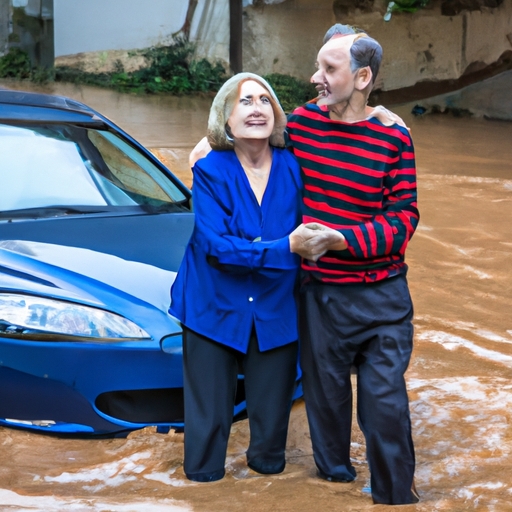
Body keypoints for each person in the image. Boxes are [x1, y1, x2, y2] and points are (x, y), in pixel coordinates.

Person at [287, 27, 420, 505]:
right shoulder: (300, 125)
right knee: (326, 406)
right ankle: (335, 488)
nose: (314, 77)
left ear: (363, 76)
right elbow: (248, 132)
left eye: (328, 69)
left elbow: (405, 218)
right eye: (318, 66)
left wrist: (343, 239)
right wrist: (209, 146)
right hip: (320, 296)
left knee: (385, 404)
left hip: (383, 298)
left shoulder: (394, 137)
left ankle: (395, 497)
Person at [169, 73, 303, 482]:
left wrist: (381, 110)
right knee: (205, 444)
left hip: (276, 309)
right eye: (245, 102)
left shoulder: (297, 167)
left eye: (265, 100)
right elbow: (216, 246)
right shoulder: (210, 169)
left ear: (276, 115)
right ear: (225, 120)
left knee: (270, 448)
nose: (257, 108)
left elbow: (335, 120)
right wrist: (286, 248)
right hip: (212, 305)